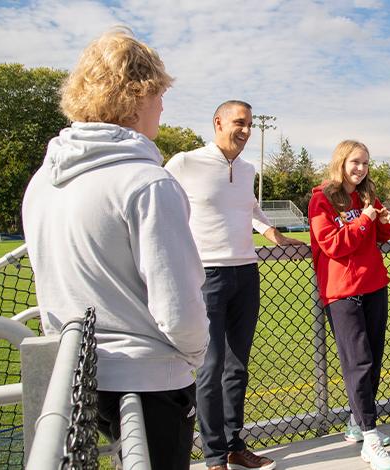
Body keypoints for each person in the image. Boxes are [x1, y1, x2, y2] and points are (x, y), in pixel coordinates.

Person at [22, 28, 209, 470]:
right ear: (137, 95)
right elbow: (178, 306)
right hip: (149, 379)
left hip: (79, 379)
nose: (162, 106)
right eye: (158, 93)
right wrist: (194, 356)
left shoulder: (42, 181)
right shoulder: (148, 183)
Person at [165, 100, 303, 470]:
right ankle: (213, 456)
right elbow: (162, 207)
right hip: (206, 275)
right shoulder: (184, 163)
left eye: (251, 125)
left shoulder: (247, 169)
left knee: (237, 367)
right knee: (210, 368)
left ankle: (233, 445)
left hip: (246, 273)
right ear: (218, 122)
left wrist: (272, 232)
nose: (245, 130)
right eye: (239, 123)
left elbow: (251, 208)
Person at [308, 140, 390, 470]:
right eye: (355, 162)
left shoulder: (366, 196)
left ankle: (356, 423)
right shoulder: (322, 198)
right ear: (341, 163)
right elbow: (332, 244)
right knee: (357, 361)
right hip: (342, 290)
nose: (361, 169)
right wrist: (364, 220)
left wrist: (384, 219)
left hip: (374, 284)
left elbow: (381, 237)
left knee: (372, 359)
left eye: (365, 163)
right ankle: (370, 438)